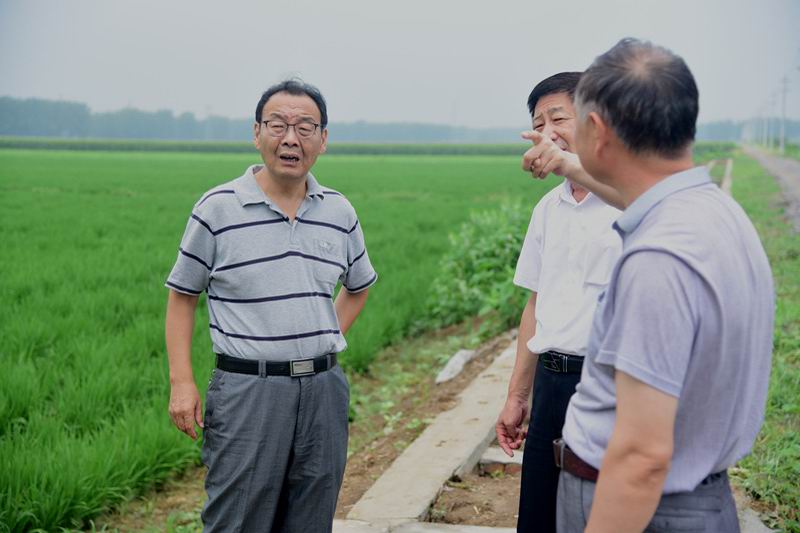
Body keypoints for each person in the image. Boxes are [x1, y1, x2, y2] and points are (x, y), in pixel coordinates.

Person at [523, 38, 774, 533]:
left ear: (597, 130)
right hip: (698, 496)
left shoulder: (657, 256)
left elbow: (641, 456)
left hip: (646, 509)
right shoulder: (715, 211)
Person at [164, 79, 377, 532]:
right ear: (257, 133)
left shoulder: (339, 211)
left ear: (323, 138)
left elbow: (358, 286)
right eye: (277, 125)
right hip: (249, 391)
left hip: (323, 390)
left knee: (311, 518)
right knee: (238, 519)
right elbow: (182, 296)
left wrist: (323, 336)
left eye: (305, 127)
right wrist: (181, 382)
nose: (290, 139)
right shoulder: (217, 209)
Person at [495, 72, 622, 533]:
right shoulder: (548, 208)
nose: (547, 132)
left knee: (601, 516)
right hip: (552, 383)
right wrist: (517, 396)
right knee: (540, 515)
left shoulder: (630, 200)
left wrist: (571, 165)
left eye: (558, 119)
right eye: (538, 124)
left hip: (610, 388)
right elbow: (536, 304)